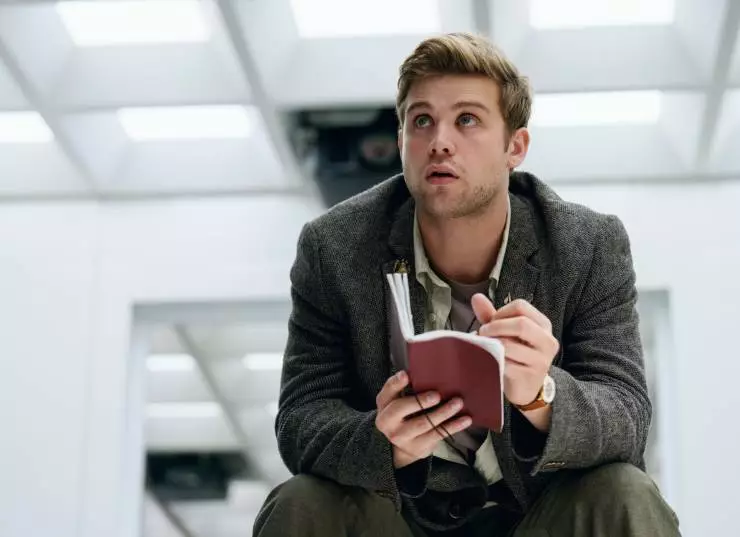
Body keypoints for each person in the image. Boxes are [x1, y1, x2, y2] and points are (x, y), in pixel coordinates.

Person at [253, 32, 680, 536]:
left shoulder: (587, 245)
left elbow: (627, 418)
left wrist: (540, 395)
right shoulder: (333, 248)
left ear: (514, 147)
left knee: (624, 491)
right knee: (301, 501)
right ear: (401, 141)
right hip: (398, 519)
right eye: (421, 121)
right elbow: (300, 419)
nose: (440, 141)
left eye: (467, 120)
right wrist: (381, 441)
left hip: (538, 518)